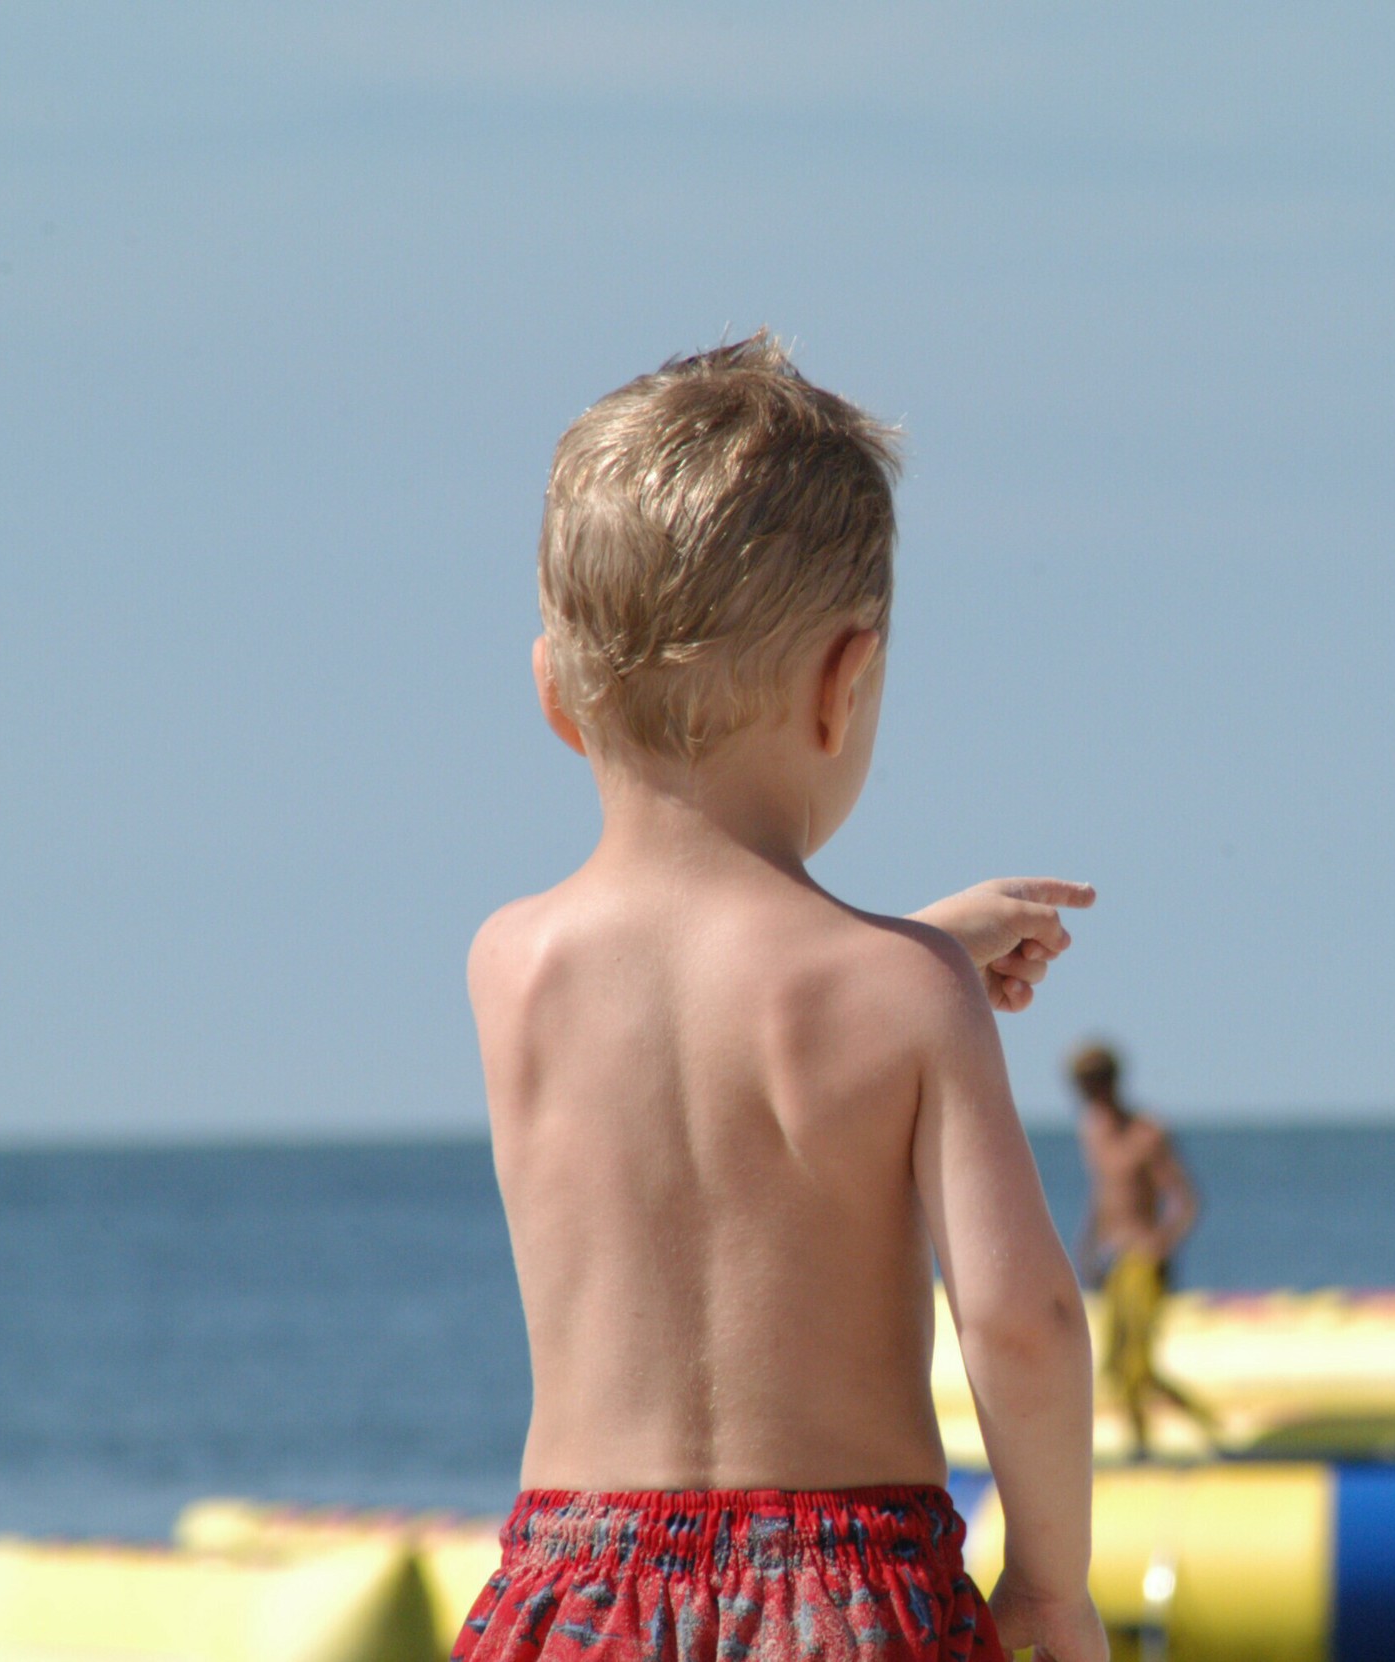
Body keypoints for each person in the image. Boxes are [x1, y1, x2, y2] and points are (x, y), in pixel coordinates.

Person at [458, 336, 1107, 1662]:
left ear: (553, 698)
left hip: (573, 1596)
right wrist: (1052, 1581)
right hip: (851, 1603)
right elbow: (1022, 1322)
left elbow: (692, 1035)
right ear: (844, 680)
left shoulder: (510, 966)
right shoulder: (911, 1000)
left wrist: (914, 952)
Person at [1067, 1043, 1215, 1461]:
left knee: (1138, 1369)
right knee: (1114, 1367)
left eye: (1090, 1085)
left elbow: (1186, 1200)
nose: (1085, 1095)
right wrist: (1086, 1249)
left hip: (1143, 1263)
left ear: (1110, 1082)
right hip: (1113, 1260)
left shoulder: (1147, 1133)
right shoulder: (1093, 1130)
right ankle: (1150, 1445)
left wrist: (1159, 1244)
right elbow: (1102, 1195)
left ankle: (1156, 1445)